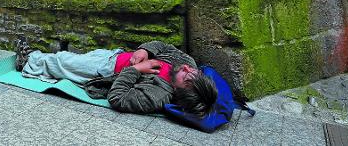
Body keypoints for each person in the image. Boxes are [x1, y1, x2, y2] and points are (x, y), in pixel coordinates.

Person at [15, 39, 217, 117]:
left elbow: (118, 98)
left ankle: (28, 60)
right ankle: (38, 58)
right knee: (70, 60)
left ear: (180, 91)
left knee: (62, 62)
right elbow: (163, 46)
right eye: (194, 72)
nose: (188, 69)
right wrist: (145, 50)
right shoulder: (186, 61)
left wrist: (137, 69)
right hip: (115, 54)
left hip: (104, 72)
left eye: (187, 78)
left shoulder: (157, 95)